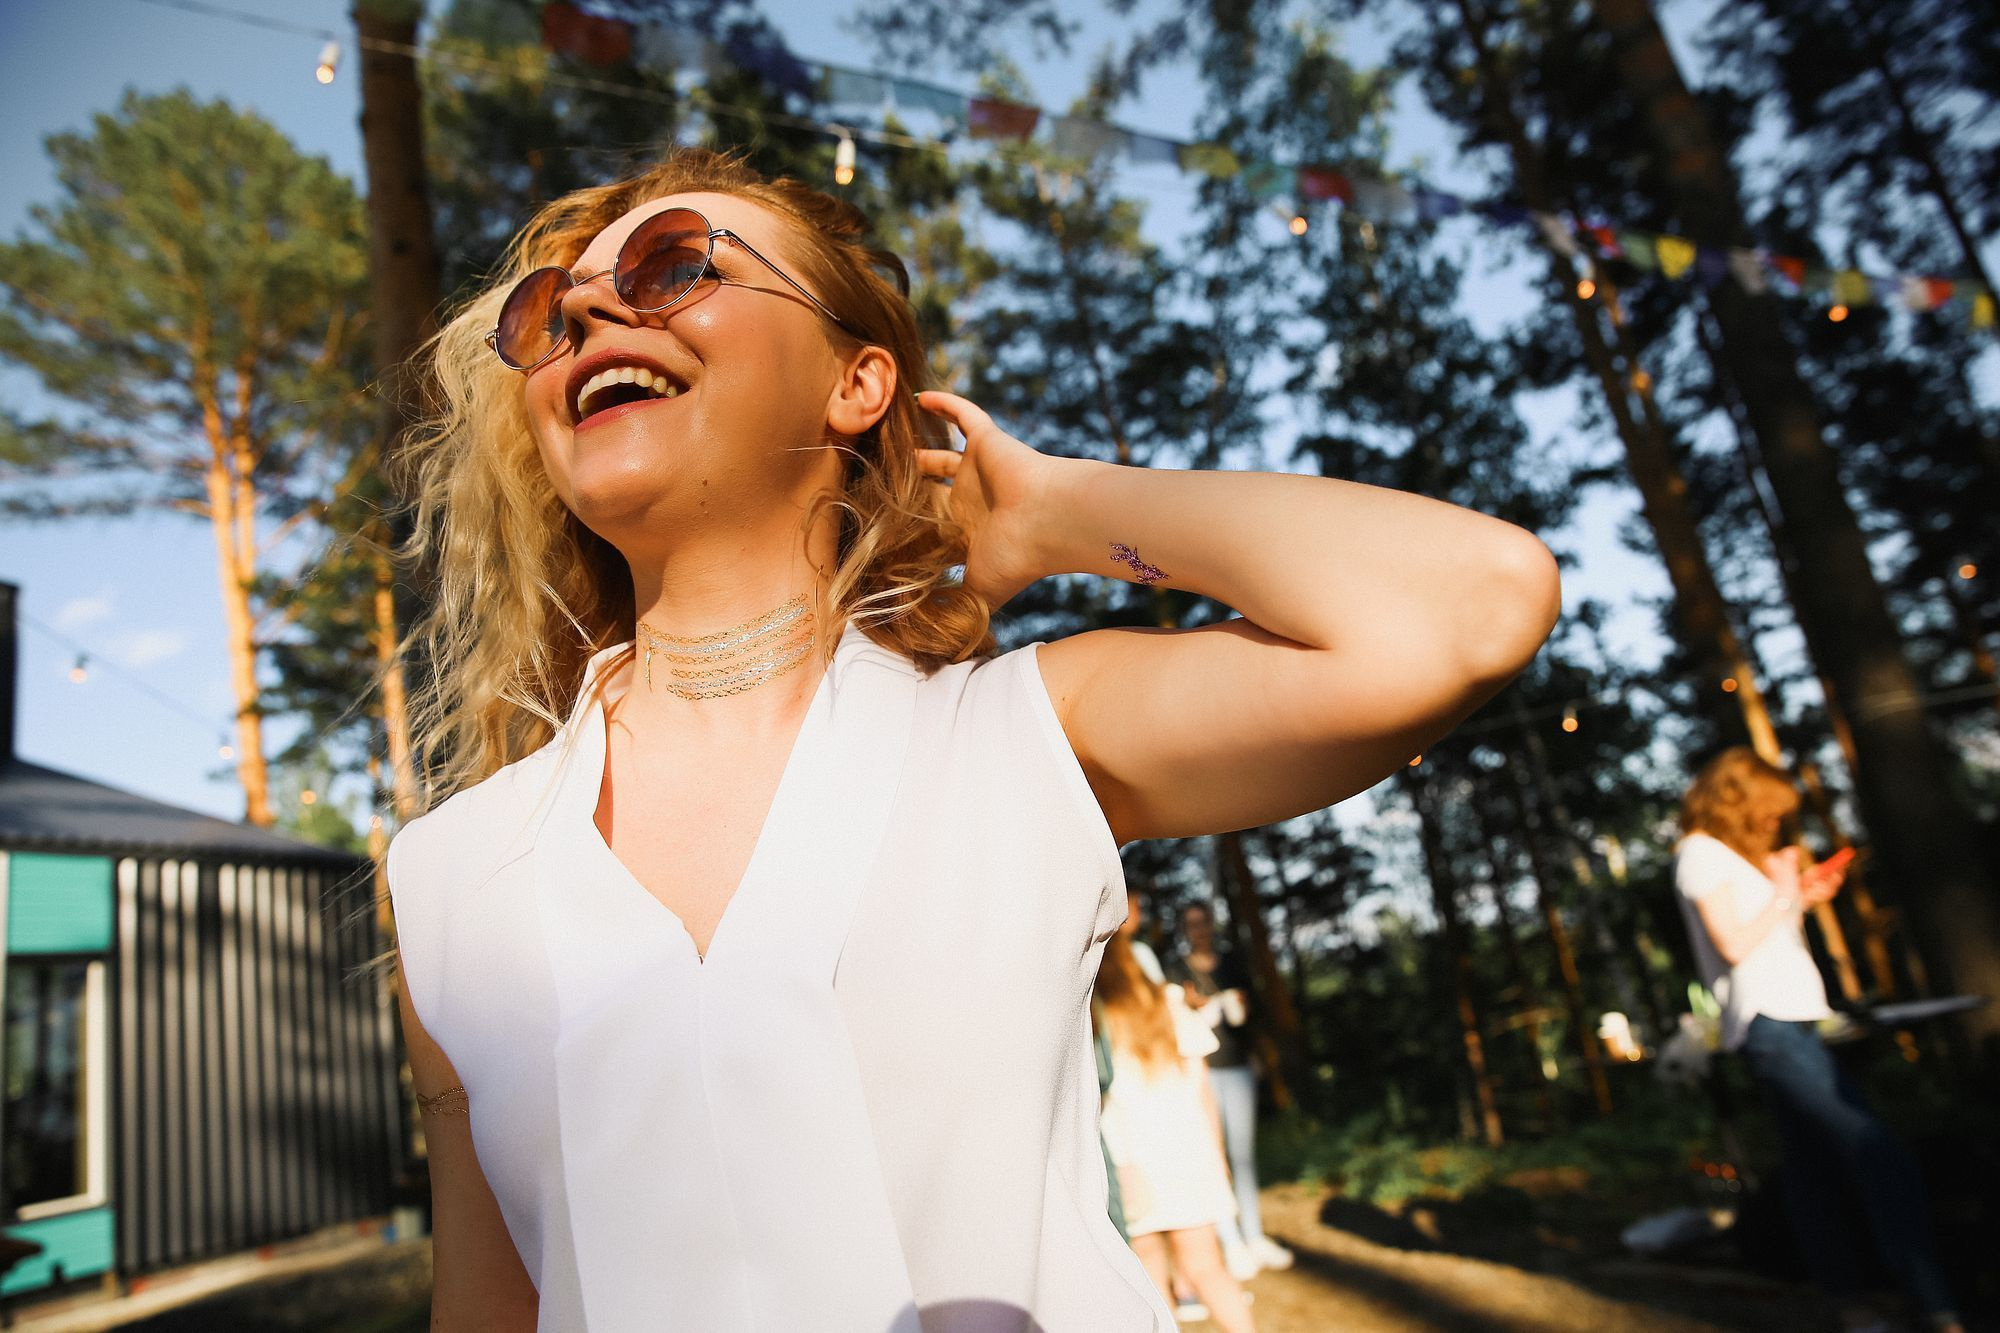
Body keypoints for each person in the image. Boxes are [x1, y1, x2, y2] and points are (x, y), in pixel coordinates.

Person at [383, 146, 1560, 1331]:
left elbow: (1470, 606)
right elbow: (489, 1306)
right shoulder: (448, 875)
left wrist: (1061, 515)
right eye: (547, 309)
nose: (585, 307)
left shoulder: (1021, 738)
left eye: (672, 265)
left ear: (856, 383)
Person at [1672, 748, 1962, 1333]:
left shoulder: (1732, 858)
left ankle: (1851, 1304)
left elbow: (1765, 937)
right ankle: (1935, 1304)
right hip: (1768, 1025)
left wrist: (1797, 899)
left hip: (1793, 1019)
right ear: (1739, 799)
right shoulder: (1700, 853)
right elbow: (1731, 945)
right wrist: (1783, 895)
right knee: (1878, 1153)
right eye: (1771, 810)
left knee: (1815, 1174)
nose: (1776, 822)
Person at [1095, 934, 1257, 1332]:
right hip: (1190, 1156)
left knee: (1150, 1285)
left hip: (1130, 1164)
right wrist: (1217, 1157)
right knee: (1210, 1271)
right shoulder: (1171, 1002)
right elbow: (1203, 1094)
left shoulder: (1094, 1017)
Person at [1167, 902, 1293, 1277]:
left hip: (1237, 1069)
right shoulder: (1176, 970)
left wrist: (1241, 1006)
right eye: (1191, 924)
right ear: (1184, 929)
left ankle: (1253, 1236)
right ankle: (1230, 1242)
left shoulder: (1232, 963)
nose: (1199, 929)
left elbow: (1249, 1013)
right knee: (1212, 1156)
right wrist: (1189, 1006)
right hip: (1200, 1073)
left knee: (1242, 1156)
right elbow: (1170, 1021)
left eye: (1203, 921)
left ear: (1211, 924)